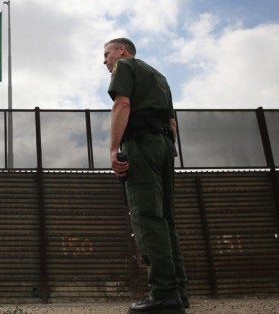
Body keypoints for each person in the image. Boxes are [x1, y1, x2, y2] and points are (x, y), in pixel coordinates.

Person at [104, 38, 188, 313]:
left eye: (107, 53)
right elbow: (172, 122)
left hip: (142, 143)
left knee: (147, 215)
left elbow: (122, 105)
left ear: (122, 51)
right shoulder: (160, 77)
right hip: (165, 146)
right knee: (165, 218)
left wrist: (114, 148)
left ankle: (164, 294)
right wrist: (165, 150)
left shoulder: (125, 66)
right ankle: (178, 293)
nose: (104, 60)